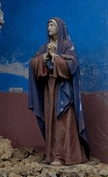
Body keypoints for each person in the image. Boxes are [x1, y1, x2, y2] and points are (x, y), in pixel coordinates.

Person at [28, 17, 90, 166]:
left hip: (63, 91)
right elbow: (33, 64)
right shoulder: (44, 47)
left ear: (60, 28)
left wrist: (55, 56)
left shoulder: (68, 46)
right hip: (49, 89)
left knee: (63, 123)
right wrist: (46, 56)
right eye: (48, 24)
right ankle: (52, 155)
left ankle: (65, 156)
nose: (49, 27)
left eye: (52, 24)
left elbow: (71, 66)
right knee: (51, 122)